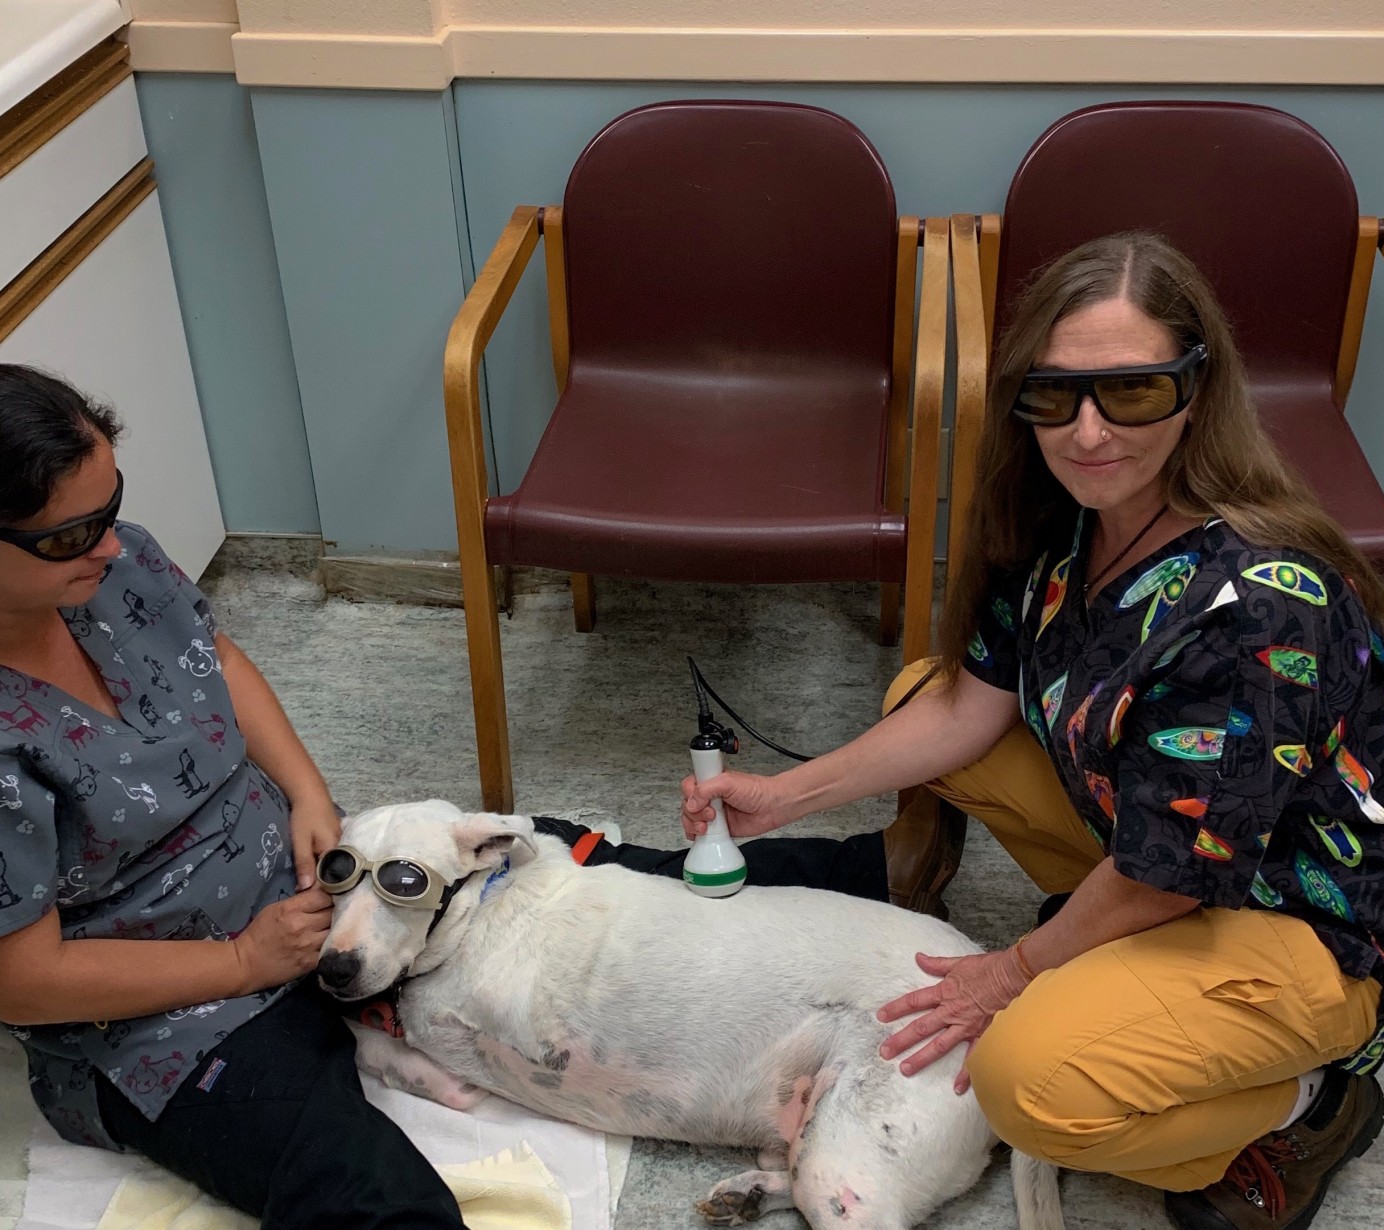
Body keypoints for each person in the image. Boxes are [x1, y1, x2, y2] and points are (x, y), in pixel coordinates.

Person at [676, 233, 1384, 1229]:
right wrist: (780, 799)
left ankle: (1312, 1103)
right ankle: (1127, 967)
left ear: (1197, 389)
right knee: (917, 693)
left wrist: (1012, 972)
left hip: (1325, 915)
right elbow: (971, 705)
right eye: (1056, 395)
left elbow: (1168, 870)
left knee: (1027, 1084)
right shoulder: (1066, 524)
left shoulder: (1256, 609)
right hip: (1189, 846)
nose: (1088, 431)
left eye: (1132, 392)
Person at [0, 362, 901, 1227]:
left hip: (317, 879)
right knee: (375, 1197)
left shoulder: (118, 569)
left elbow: (217, 659)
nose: (113, 545)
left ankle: (879, 874)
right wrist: (242, 964)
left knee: (578, 861)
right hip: (176, 1013)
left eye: (112, 508)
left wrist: (309, 795)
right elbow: (24, 981)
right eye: (73, 535)